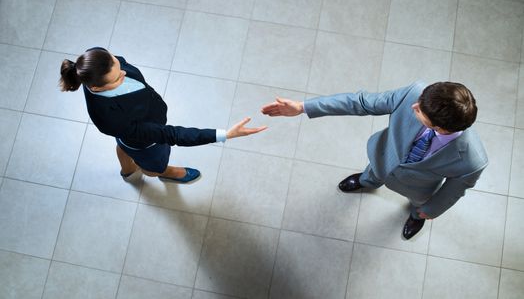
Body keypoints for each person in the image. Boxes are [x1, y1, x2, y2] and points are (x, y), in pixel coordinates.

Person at [261, 81, 488, 239]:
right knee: (372, 173)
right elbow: (360, 102)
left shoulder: (473, 160)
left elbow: (454, 191)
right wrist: (303, 107)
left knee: (419, 206)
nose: (413, 106)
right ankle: (366, 181)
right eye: (420, 101)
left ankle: (415, 216)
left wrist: (429, 210)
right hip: (382, 158)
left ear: (440, 128)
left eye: (419, 111)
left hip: (419, 188)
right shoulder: (414, 93)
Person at [60, 47, 266, 183]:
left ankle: (127, 171)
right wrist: (224, 134)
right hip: (144, 141)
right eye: (117, 78)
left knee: (123, 144)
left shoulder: (100, 66)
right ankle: (162, 172)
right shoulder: (112, 118)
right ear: (96, 87)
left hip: (130, 132)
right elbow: (171, 135)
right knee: (153, 163)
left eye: (118, 64)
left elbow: (120, 69)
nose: (123, 72)